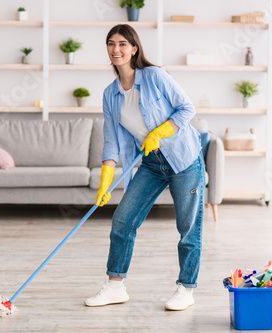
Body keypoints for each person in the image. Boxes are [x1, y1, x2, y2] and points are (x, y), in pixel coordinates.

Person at [84, 24, 205, 311]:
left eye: (123, 44)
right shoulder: (110, 94)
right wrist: (105, 184)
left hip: (184, 159)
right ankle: (115, 286)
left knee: (188, 227)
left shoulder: (154, 76)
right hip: (151, 165)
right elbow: (111, 142)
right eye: (111, 44)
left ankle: (186, 288)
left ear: (134, 48)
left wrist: (158, 133)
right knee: (123, 221)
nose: (116, 49)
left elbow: (187, 108)